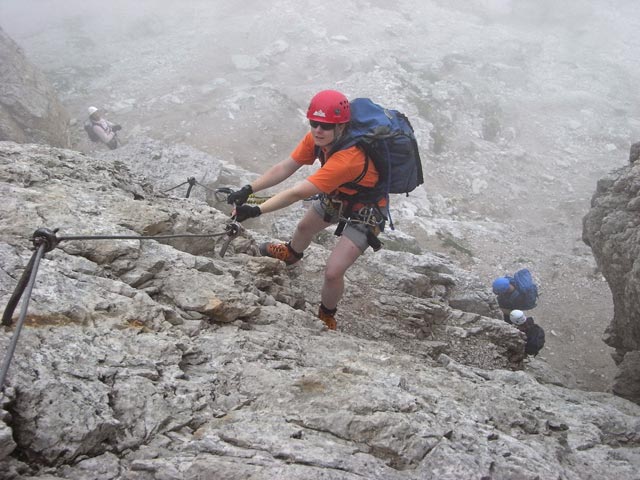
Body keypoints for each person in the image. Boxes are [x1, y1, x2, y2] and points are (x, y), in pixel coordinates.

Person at [227, 90, 387, 331]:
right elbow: (286, 167)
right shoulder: (318, 139)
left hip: (366, 211)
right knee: (303, 228)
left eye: (325, 125)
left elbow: (297, 193)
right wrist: (248, 188)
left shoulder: (349, 159)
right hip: (338, 197)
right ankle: (291, 254)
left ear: (341, 126)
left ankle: (327, 314)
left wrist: (255, 210)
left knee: (333, 271)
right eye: (314, 123)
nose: (318, 130)